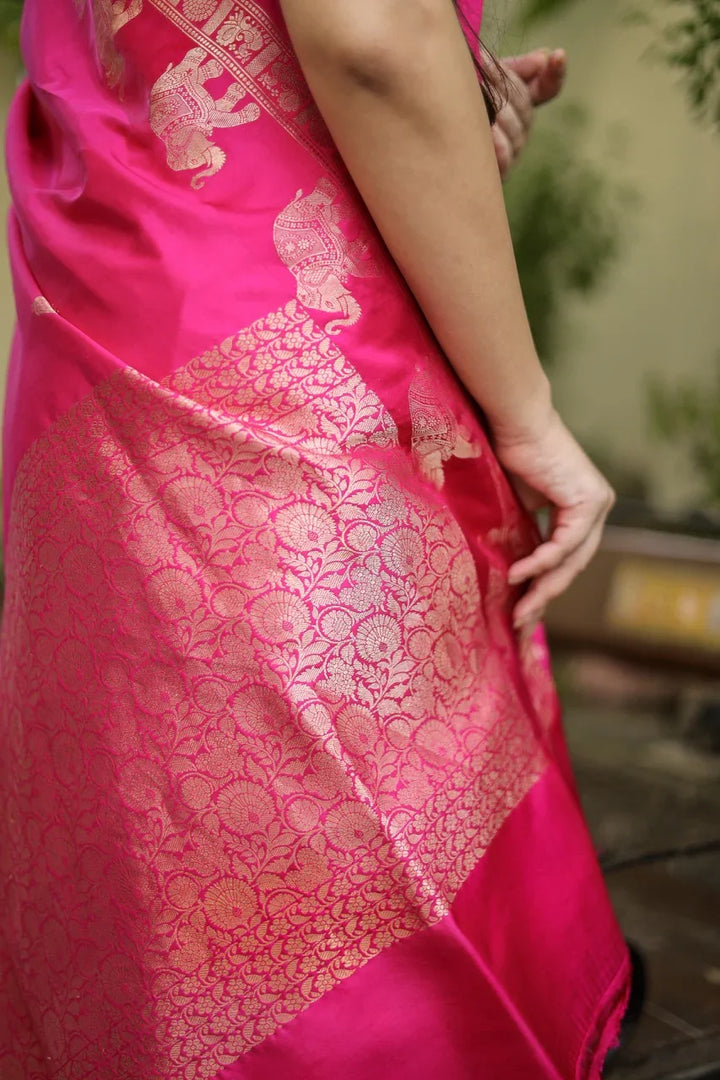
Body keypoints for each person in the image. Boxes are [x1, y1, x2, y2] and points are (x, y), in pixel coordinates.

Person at [0, 1, 629, 1078]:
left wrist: (442, 116)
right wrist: (528, 415)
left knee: (168, 901)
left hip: (113, 332)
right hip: (273, 381)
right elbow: (372, 37)